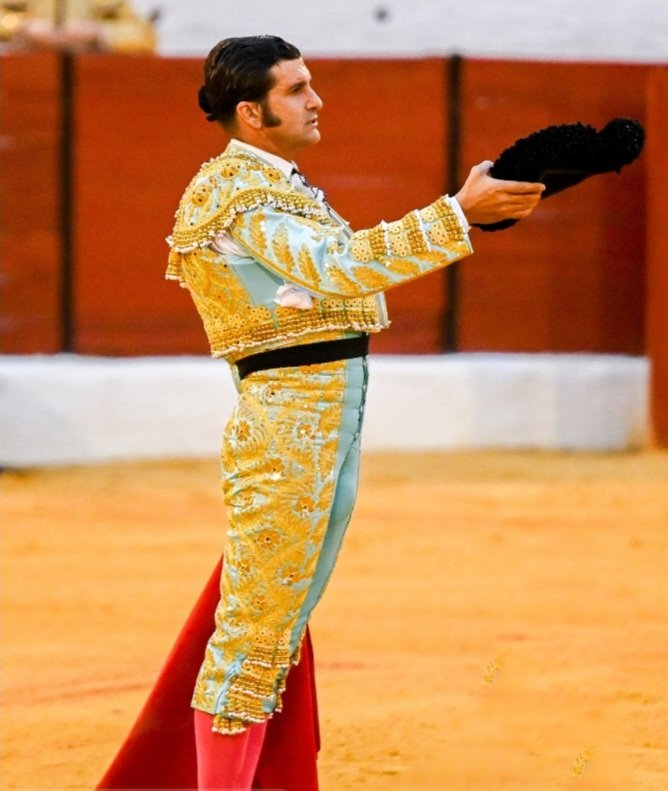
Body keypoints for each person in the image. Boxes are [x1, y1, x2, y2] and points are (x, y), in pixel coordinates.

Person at [102, 34, 544, 791]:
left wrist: (469, 217)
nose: (317, 100)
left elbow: (337, 282)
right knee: (252, 634)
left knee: (275, 624)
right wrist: (455, 212)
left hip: (322, 426)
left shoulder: (280, 187)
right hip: (283, 435)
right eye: (298, 89)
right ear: (251, 111)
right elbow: (340, 269)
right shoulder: (232, 192)